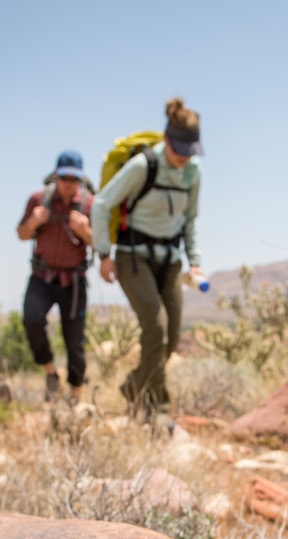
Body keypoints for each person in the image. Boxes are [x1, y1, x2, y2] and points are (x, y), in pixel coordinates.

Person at [92, 97, 206, 419]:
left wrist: (194, 259)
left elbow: (190, 219)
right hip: (133, 258)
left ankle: (133, 387)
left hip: (170, 261)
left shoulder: (193, 172)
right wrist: (103, 254)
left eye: (189, 151)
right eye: (178, 150)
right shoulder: (144, 165)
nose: (183, 158)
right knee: (154, 327)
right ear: (166, 139)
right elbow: (101, 205)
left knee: (169, 339)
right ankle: (159, 412)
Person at [16, 150, 94, 402]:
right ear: (55, 177)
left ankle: (76, 396)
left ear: (80, 181)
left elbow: (101, 243)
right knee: (31, 319)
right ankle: (50, 371)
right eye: (64, 178)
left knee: (74, 340)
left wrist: (85, 231)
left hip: (73, 281)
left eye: (74, 180)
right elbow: (21, 234)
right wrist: (34, 222)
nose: (69, 185)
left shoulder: (90, 205)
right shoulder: (38, 200)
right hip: (42, 276)